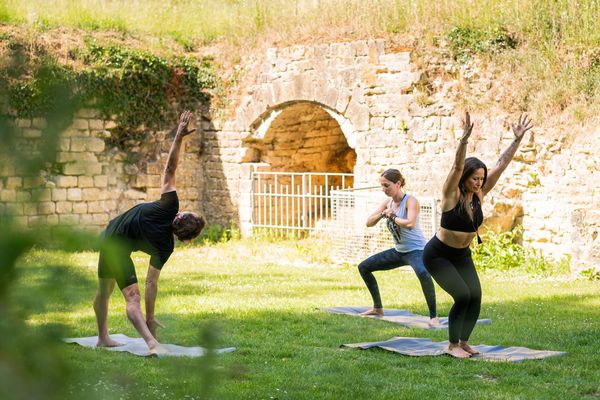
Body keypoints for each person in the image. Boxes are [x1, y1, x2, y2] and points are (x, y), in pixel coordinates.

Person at [93, 110, 206, 354]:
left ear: (179, 216)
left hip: (110, 233)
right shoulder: (167, 247)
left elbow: (169, 170)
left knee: (106, 291)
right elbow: (151, 282)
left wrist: (178, 136)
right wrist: (151, 316)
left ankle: (104, 337)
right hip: (115, 243)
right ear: (185, 239)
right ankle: (149, 342)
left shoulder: (169, 206)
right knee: (130, 296)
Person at [423, 112, 533, 358]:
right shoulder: (451, 194)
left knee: (475, 296)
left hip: (462, 254)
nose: (480, 182)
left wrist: (516, 141)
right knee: (462, 295)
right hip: (438, 254)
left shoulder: (480, 193)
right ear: (465, 178)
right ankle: (452, 346)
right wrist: (463, 140)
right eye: (475, 178)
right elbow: (457, 166)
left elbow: (501, 166)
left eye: (482, 179)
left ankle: (463, 342)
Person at [358, 168, 439, 326]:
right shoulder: (387, 203)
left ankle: (434, 317)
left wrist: (393, 216)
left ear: (398, 183)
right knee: (364, 267)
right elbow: (369, 222)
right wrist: (382, 214)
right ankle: (378, 308)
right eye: (382, 186)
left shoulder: (410, 201)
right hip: (399, 252)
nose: (384, 189)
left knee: (423, 273)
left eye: (387, 185)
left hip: (417, 251)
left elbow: (410, 223)